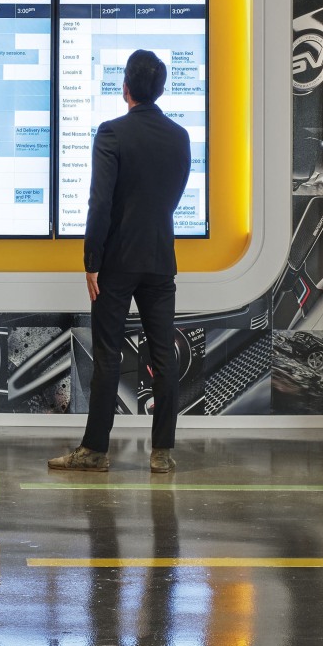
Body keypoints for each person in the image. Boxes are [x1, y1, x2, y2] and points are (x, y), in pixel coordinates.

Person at [50, 46, 191, 476]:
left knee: (109, 355)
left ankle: (95, 450)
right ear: (161, 89)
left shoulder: (111, 133)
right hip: (160, 259)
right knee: (164, 355)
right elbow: (173, 195)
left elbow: (100, 205)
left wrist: (91, 260)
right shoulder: (180, 137)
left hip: (115, 262)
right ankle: (161, 452)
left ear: (125, 88)